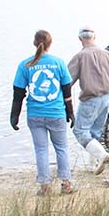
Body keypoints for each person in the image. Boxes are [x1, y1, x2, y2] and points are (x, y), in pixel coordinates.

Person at [10, 30, 76, 196]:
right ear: (50, 43)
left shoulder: (25, 65)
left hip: (35, 114)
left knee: (41, 150)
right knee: (61, 148)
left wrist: (14, 116)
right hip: (56, 113)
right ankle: (66, 184)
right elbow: (67, 91)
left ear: (34, 43)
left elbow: (18, 93)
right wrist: (71, 113)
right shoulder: (59, 63)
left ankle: (44, 187)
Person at [68, 25, 109, 173]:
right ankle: (93, 165)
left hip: (90, 98)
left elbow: (67, 80)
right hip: (106, 98)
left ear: (80, 38)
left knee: (80, 131)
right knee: (95, 132)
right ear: (94, 37)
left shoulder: (80, 56)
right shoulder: (107, 54)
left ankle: (101, 155)